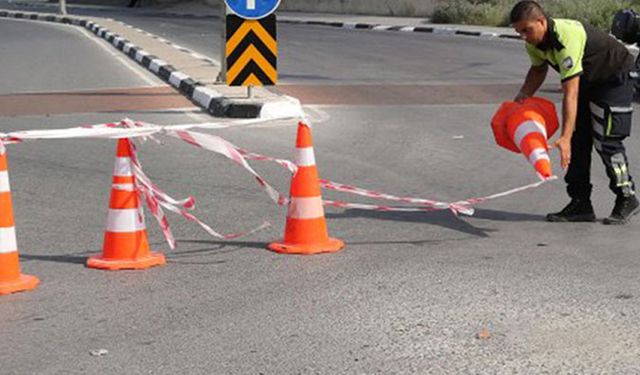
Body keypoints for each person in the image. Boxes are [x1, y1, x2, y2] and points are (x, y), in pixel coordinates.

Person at [511, 0, 640, 224]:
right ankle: (581, 204)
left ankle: (627, 197)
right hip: (588, 82)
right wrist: (522, 97)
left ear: (541, 21)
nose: (523, 36)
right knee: (578, 143)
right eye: (518, 32)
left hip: (614, 77)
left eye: (526, 30)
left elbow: (570, 93)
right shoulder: (534, 41)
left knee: (607, 141)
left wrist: (565, 136)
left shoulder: (565, 36)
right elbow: (538, 69)